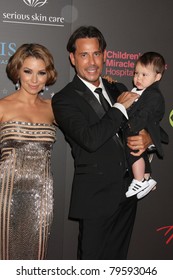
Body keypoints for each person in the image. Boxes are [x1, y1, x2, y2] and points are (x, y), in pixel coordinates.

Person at [52, 25, 152, 260]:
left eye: (96, 53)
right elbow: (91, 139)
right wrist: (119, 107)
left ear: (105, 55)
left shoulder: (117, 87)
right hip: (95, 196)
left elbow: (138, 126)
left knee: (117, 262)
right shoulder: (64, 99)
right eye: (84, 55)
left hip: (128, 191)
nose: (91, 62)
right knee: (92, 264)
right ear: (72, 58)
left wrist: (147, 137)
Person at [0, 43, 57, 260]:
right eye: (28, 71)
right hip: (5, 194)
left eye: (41, 73)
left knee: (35, 257)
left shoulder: (53, 108)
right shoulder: (2, 107)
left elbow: (86, 134)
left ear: (48, 75)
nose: (34, 80)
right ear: (17, 72)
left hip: (41, 196)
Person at [124, 52, 168, 199]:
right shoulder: (139, 91)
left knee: (132, 148)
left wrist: (131, 126)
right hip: (141, 125)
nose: (138, 78)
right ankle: (146, 178)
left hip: (144, 127)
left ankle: (138, 180)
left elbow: (145, 114)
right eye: (136, 73)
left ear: (157, 77)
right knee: (139, 153)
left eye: (144, 75)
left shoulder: (153, 95)